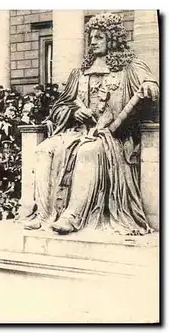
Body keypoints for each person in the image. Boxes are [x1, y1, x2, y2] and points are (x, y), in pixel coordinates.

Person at [23, 13, 159, 235]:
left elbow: (151, 85)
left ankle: (73, 216)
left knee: (89, 151)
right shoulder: (80, 73)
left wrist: (150, 86)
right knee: (44, 149)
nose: (93, 41)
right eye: (91, 37)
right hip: (78, 132)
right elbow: (58, 107)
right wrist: (75, 112)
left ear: (112, 39)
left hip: (112, 138)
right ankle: (43, 215)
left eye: (99, 37)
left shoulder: (132, 68)